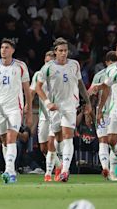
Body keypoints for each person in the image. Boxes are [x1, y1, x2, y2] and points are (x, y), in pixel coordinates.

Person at [36, 37, 92, 182]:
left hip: (70, 106)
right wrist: (47, 102)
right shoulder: (48, 67)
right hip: (54, 108)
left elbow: (80, 85)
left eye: (65, 51)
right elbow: (37, 87)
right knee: (57, 139)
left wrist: (87, 102)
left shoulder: (74, 65)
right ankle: (58, 165)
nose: (63, 53)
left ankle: (65, 171)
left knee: (68, 136)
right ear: (55, 52)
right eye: (60, 51)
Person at [0, 38, 32, 184]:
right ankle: (10, 169)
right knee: (4, 141)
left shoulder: (20, 66)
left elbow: (27, 89)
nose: (3, 50)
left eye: (6, 47)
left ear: (12, 50)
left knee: (11, 139)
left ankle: (9, 172)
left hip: (14, 108)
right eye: (2, 47)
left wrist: (28, 109)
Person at [93, 42, 117, 181]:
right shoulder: (105, 72)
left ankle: (115, 170)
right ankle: (107, 169)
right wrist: (96, 110)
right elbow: (99, 91)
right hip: (108, 111)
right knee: (107, 140)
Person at [88, 51, 117, 180]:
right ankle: (109, 170)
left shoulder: (100, 75)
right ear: (106, 63)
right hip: (107, 112)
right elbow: (92, 94)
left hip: (106, 112)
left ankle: (106, 168)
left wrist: (89, 111)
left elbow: (91, 95)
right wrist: (89, 112)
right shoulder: (114, 74)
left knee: (104, 141)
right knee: (110, 142)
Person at [29, 51, 54, 155]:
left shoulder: (59, 75)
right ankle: (56, 164)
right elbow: (31, 92)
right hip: (44, 115)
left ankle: (58, 167)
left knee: (53, 143)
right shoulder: (38, 75)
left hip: (56, 114)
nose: (47, 65)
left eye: (50, 62)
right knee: (43, 147)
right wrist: (27, 105)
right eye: (46, 61)